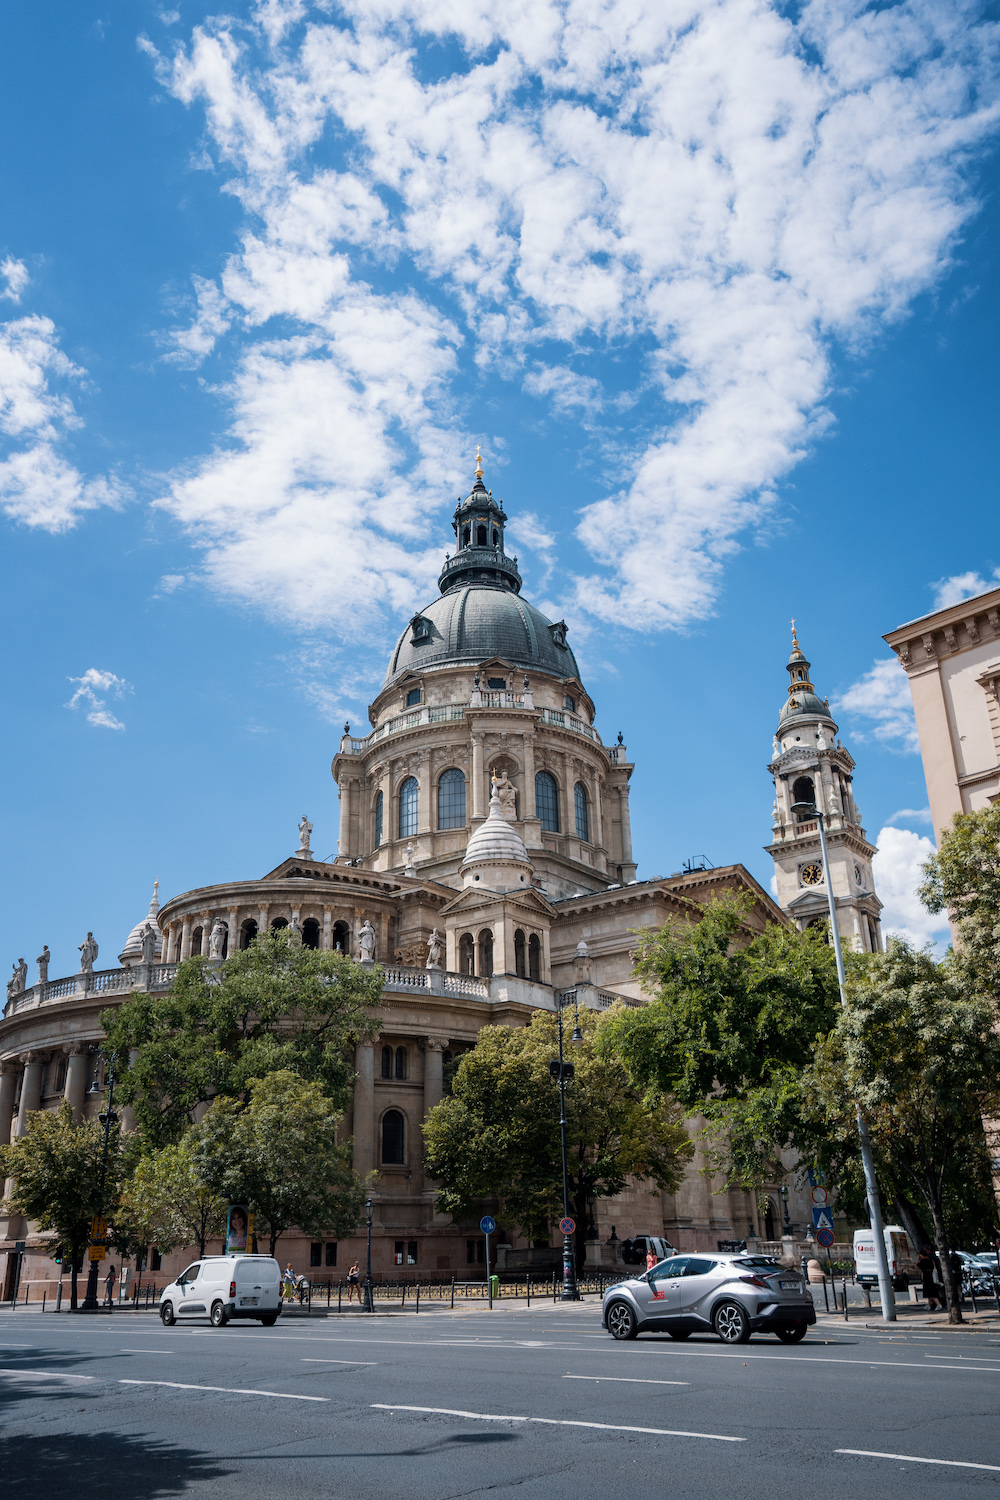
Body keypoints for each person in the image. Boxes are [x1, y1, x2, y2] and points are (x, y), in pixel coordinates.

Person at [917, 1246, 942, 1311]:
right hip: (931, 1277)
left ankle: (938, 1304)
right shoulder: (930, 1261)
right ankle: (929, 1305)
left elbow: (916, 1267)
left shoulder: (923, 1261)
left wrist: (918, 1260)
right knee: (929, 1293)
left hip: (926, 1278)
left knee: (931, 1293)